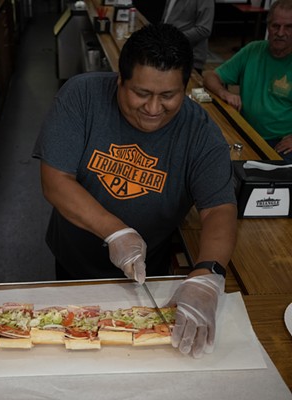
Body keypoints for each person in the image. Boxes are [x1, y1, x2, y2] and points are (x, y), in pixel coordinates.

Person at [32, 23, 237, 358]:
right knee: (74, 346)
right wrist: (116, 232)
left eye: (168, 96)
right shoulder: (81, 96)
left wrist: (207, 274)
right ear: (119, 80)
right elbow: (55, 180)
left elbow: (218, 208)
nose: (154, 109)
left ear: (186, 88)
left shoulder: (201, 132)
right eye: (141, 93)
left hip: (145, 276)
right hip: (73, 260)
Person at [203, 0, 292, 161]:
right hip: (244, 130)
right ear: (268, 26)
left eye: (288, 27)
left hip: (280, 142)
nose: (280, 32)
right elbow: (210, 76)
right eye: (275, 26)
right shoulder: (253, 50)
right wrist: (224, 93)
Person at [161, 0, 215, 74]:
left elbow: (204, 29)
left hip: (188, 60)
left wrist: (173, 39)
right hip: (167, 54)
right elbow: (166, 19)